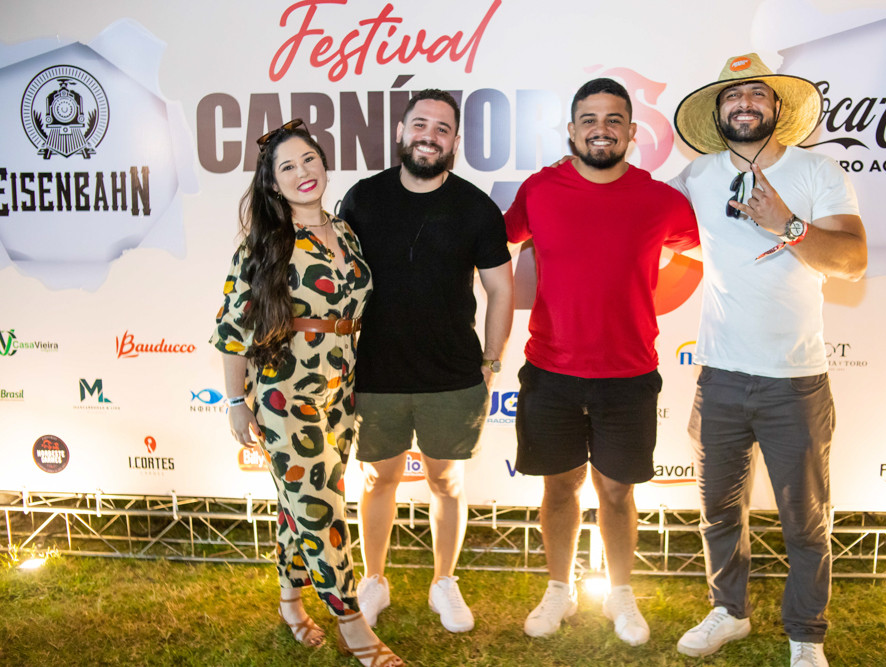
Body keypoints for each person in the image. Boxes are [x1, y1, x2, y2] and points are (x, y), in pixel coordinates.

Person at [670, 54, 867, 667]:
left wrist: (789, 225)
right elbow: (640, 220)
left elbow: (853, 261)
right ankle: (729, 612)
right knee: (718, 513)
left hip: (795, 381)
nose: (745, 103)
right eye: (733, 95)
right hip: (720, 378)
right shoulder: (697, 175)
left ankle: (806, 636)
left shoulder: (817, 170)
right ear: (718, 111)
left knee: (806, 521)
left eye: (757, 92)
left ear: (777, 107)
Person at [504, 78, 700, 646]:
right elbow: (491, 241)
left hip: (629, 376)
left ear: (632, 132)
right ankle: (558, 589)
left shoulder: (659, 200)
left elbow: (713, 243)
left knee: (617, 492)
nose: (601, 129)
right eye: (589, 119)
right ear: (571, 130)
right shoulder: (541, 189)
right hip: (551, 373)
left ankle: (620, 593)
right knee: (559, 488)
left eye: (614, 119)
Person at [211, 119, 403, 667]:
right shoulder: (265, 244)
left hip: (340, 391)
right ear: (273, 184)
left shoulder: (345, 232)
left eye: (309, 160)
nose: (302, 173)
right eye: (287, 167)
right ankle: (351, 623)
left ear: (324, 163)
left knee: (302, 502)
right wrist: (235, 402)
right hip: (284, 395)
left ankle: (290, 603)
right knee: (320, 507)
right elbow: (232, 328)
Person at [338, 89, 514, 633]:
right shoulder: (362, 199)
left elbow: (501, 291)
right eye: (420, 124)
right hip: (377, 373)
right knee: (377, 480)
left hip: (452, 376)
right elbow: (339, 285)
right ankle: (374, 580)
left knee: (447, 482)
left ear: (455, 141)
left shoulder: (476, 208)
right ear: (401, 132)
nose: (429, 137)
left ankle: (444, 582)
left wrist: (491, 361)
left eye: (442, 129)